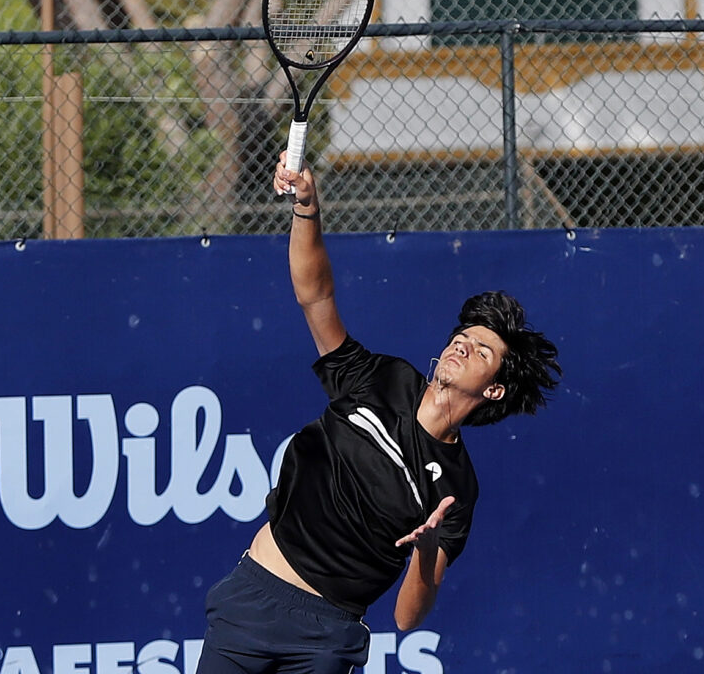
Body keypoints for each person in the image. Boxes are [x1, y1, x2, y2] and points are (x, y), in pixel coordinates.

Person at [195, 154, 562, 674]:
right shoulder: (383, 378)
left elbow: (409, 616)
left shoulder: (457, 486)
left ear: (495, 391)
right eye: (463, 337)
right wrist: (306, 207)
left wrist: (427, 548)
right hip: (252, 599)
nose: (463, 346)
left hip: (328, 637)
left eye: (482, 351)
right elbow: (315, 295)